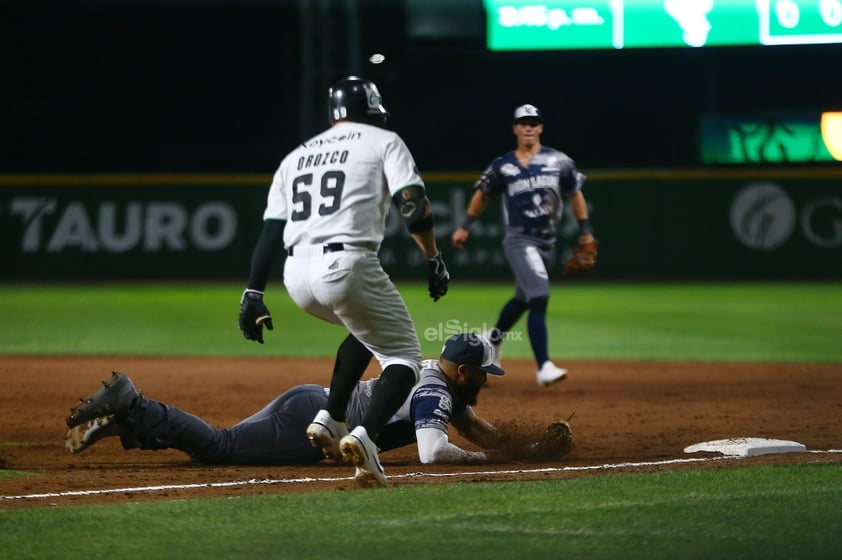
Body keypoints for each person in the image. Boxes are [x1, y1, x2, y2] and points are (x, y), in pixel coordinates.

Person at [236, 76, 450, 487]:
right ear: (372, 108)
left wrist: (253, 293)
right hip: (346, 264)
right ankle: (365, 438)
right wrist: (433, 258)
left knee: (365, 329)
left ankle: (331, 418)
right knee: (404, 358)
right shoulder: (383, 140)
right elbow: (414, 205)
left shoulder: (295, 156)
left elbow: (269, 232)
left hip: (296, 275)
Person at [64, 334, 505, 478]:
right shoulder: (435, 393)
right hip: (313, 427)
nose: (488, 379)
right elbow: (432, 451)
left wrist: (517, 445)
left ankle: (124, 425)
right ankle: (134, 405)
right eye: (485, 372)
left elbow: (470, 424)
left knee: (215, 448)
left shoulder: (434, 375)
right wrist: (484, 459)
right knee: (220, 448)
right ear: (463, 371)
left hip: (313, 403)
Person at [451, 104, 596, 387]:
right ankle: (544, 367)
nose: (529, 127)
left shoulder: (559, 161)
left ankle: (491, 342)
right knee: (539, 295)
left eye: (534, 122)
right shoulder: (503, 165)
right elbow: (483, 195)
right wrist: (465, 226)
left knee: (523, 299)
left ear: (541, 127)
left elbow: (575, 194)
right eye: (523, 123)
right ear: (515, 129)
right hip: (519, 238)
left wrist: (586, 232)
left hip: (547, 242)